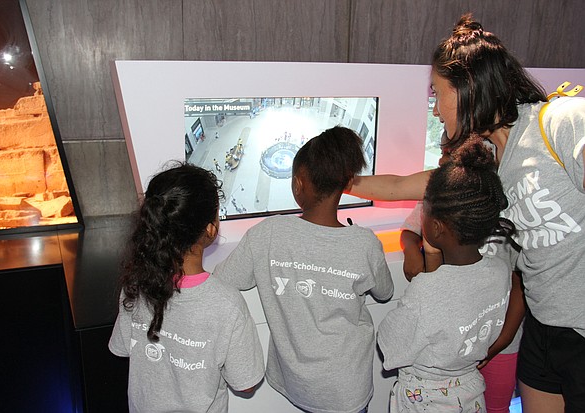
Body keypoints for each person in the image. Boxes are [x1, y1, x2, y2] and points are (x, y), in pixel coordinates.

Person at [351, 14, 585, 413]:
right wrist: (336, 182)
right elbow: (399, 185)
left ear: (467, 88)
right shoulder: (485, 162)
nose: (436, 109)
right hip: (542, 328)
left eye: (437, 94)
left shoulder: (561, 122)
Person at [214, 126, 394, 413]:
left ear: (298, 184)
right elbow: (386, 292)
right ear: (345, 185)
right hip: (348, 389)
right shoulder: (364, 243)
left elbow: (225, 279)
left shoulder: (267, 234)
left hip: (295, 384)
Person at [108, 162, 265, 413]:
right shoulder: (227, 304)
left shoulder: (135, 284)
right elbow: (245, 384)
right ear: (211, 229)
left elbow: (123, 348)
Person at [377, 136, 516, 412]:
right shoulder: (500, 271)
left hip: (427, 399)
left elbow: (390, 345)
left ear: (437, 228)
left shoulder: (429, 289)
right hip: (471, 392)